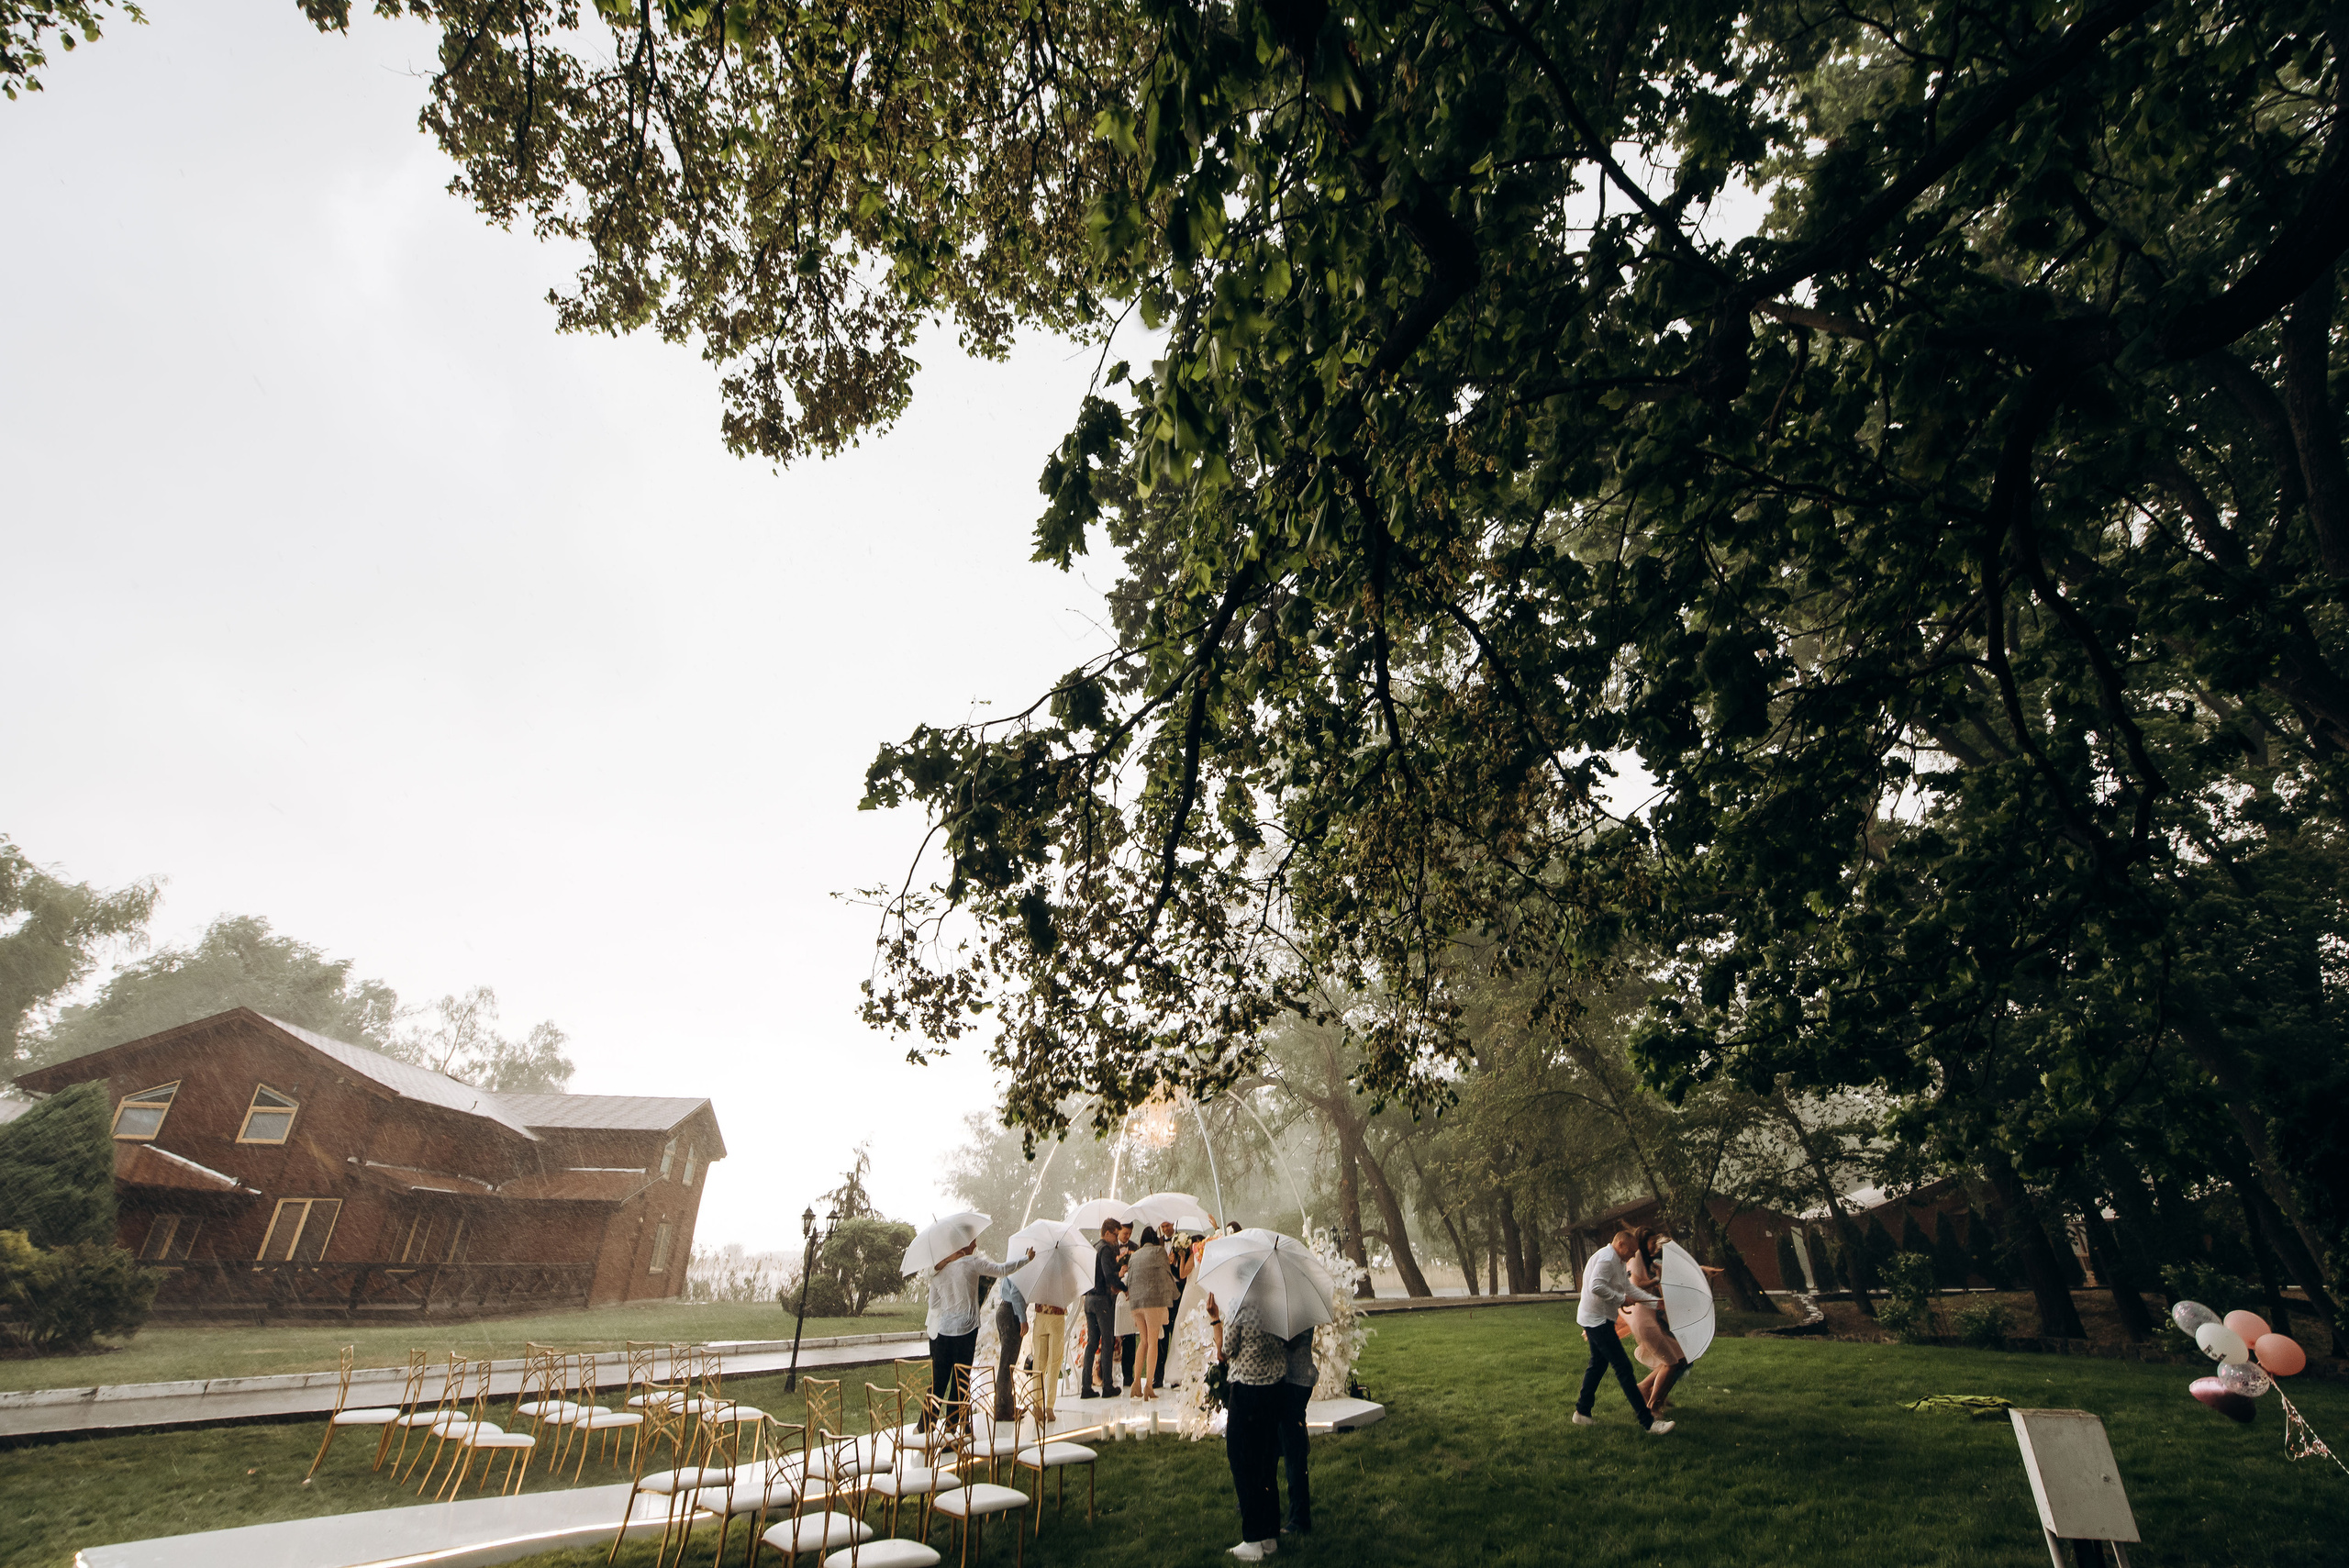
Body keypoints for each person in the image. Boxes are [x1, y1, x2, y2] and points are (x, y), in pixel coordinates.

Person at [1574, 1224, 1675, 1435]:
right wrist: (1620, 1299)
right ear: (1620, 1244)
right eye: (1631, 1250)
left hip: (1599, 1319)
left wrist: (1656, 1303)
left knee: (1598, 1365)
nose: (1634, 1254)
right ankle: (1649, 1423)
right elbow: (1596, 1286)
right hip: (1596, 1321)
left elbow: (1629, 1288)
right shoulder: (1607, 1259)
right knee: (1624, 1368)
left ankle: (1582, 1413)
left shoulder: (1618, 1260)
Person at [1208, 1289, 1286, 1560]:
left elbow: (1225, 1351)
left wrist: (1216, 1320)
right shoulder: (1277, 1303)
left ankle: (1252, 1538)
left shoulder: (1241, 1304)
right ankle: (1269, 1536)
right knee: (1266, 1461)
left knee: (1242, 1459)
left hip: (1247, 1390)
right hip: (1274, 1389)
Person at [927, 1238, 1033, 1420]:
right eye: (972, 1242)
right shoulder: (972, 1262)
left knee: (939, 1381)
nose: (976, 1245)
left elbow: (934, 1303)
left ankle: (926, 1427)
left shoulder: (939, 1271)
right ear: (963, 1244)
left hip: (944, 1331)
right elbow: (1001, 1270)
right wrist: (1026, 1259)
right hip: (965, 1331)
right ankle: (951, 1431)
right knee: (960, 1381)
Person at [1624, 1228, 1688, 1415]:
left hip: (1650, 1319)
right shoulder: (1636, 1258)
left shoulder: (1649, 1263)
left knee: (1681, 1359)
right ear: (1643, 1243)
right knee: (1671, 1363)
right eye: (1652, 1242)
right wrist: (1656, 1280)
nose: (1655, 1246)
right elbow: (1636, 1285)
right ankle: (1652, 1407)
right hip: (1644, 1321)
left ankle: (1644, 1389)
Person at [1125, 1227, 1175, 1400]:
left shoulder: (1134, 1255)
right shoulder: (1159, 1251)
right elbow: (1166, 1273)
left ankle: (1136, 1383)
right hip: (1152, 1301)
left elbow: (1130, 1278)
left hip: (1136, 1302)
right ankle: (1149, 1386)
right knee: (1153, 1342)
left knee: (1143, 1342)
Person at [1275, 1325, 1316, 1535]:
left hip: (1294, 1379)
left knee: (1293, 1450)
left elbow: (1293, 1341)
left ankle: (1299, 1518)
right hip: (1294, 1378)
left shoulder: (1296, 1305)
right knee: (1281, 1442)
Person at [1080, 1219, 1126, 1398]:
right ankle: (1108, 1385)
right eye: (1115, 1234)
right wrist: (1122, 1285)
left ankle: (1086, 1386)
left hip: (1089, 1300)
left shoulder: (1093, 1248)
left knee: (1092, 1343)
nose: (1116, 1239)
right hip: (1101, 1299)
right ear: (1107, 1233)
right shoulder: (1106, 1249)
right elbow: (1108, 1275)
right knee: (1107, 1341)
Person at [992, 1271, 1030, 1423]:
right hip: (1010, 1313)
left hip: (1005, 1310)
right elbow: (1015, 1293)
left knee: (1009, 1363)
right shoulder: (1021, 1267)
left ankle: (1008, 1405)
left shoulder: (1015, 1263)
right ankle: (1002, 1409)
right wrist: (1023, 1319)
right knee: (1007, 1365)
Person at [1030, 1288, 1068, 1424]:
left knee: (1038, 1364)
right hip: (1057, 1316)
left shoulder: (1040, 1272)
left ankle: (1037, 1405)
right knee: (1054, 1362)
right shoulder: (1064, 1273)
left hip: (1040, 1316)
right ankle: (1050, 1406)